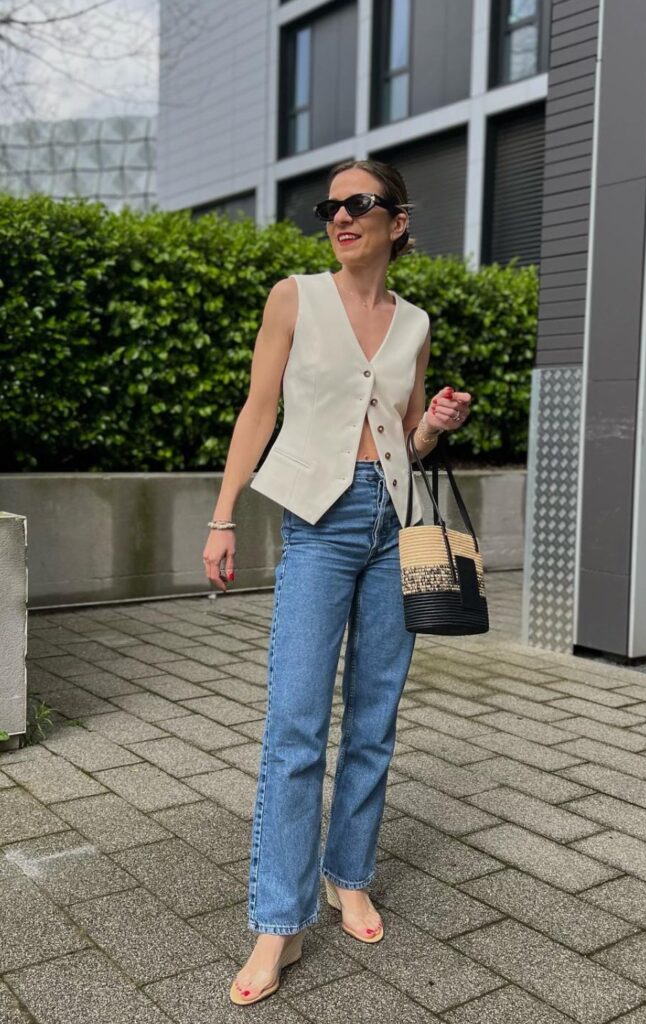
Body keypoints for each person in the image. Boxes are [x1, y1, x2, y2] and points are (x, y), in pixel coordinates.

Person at [202, 158, 471, 1006]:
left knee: (374, 717)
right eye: (331, 206)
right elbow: (259, 408)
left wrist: (430, 424)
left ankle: (347, 875)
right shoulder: (295, 296)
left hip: (394, 524)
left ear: (397, 221)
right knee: (294, 728)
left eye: (360, 205)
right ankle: (275, 922)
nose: (341, 217)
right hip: (316, 523)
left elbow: (404, 438)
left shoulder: (414, 321)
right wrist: (221, 514)